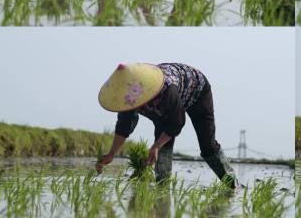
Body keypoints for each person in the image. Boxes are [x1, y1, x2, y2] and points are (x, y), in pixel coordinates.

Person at [95, 62, 236, 187]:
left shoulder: (167, 91)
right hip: (165, 107)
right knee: (163, 143)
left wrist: (156, 146)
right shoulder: (127, 99)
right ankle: (163, 189)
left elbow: (177, 122)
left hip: (197, 91)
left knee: (207, 146)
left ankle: (233, 185)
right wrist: (111, 154)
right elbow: (123, 126)